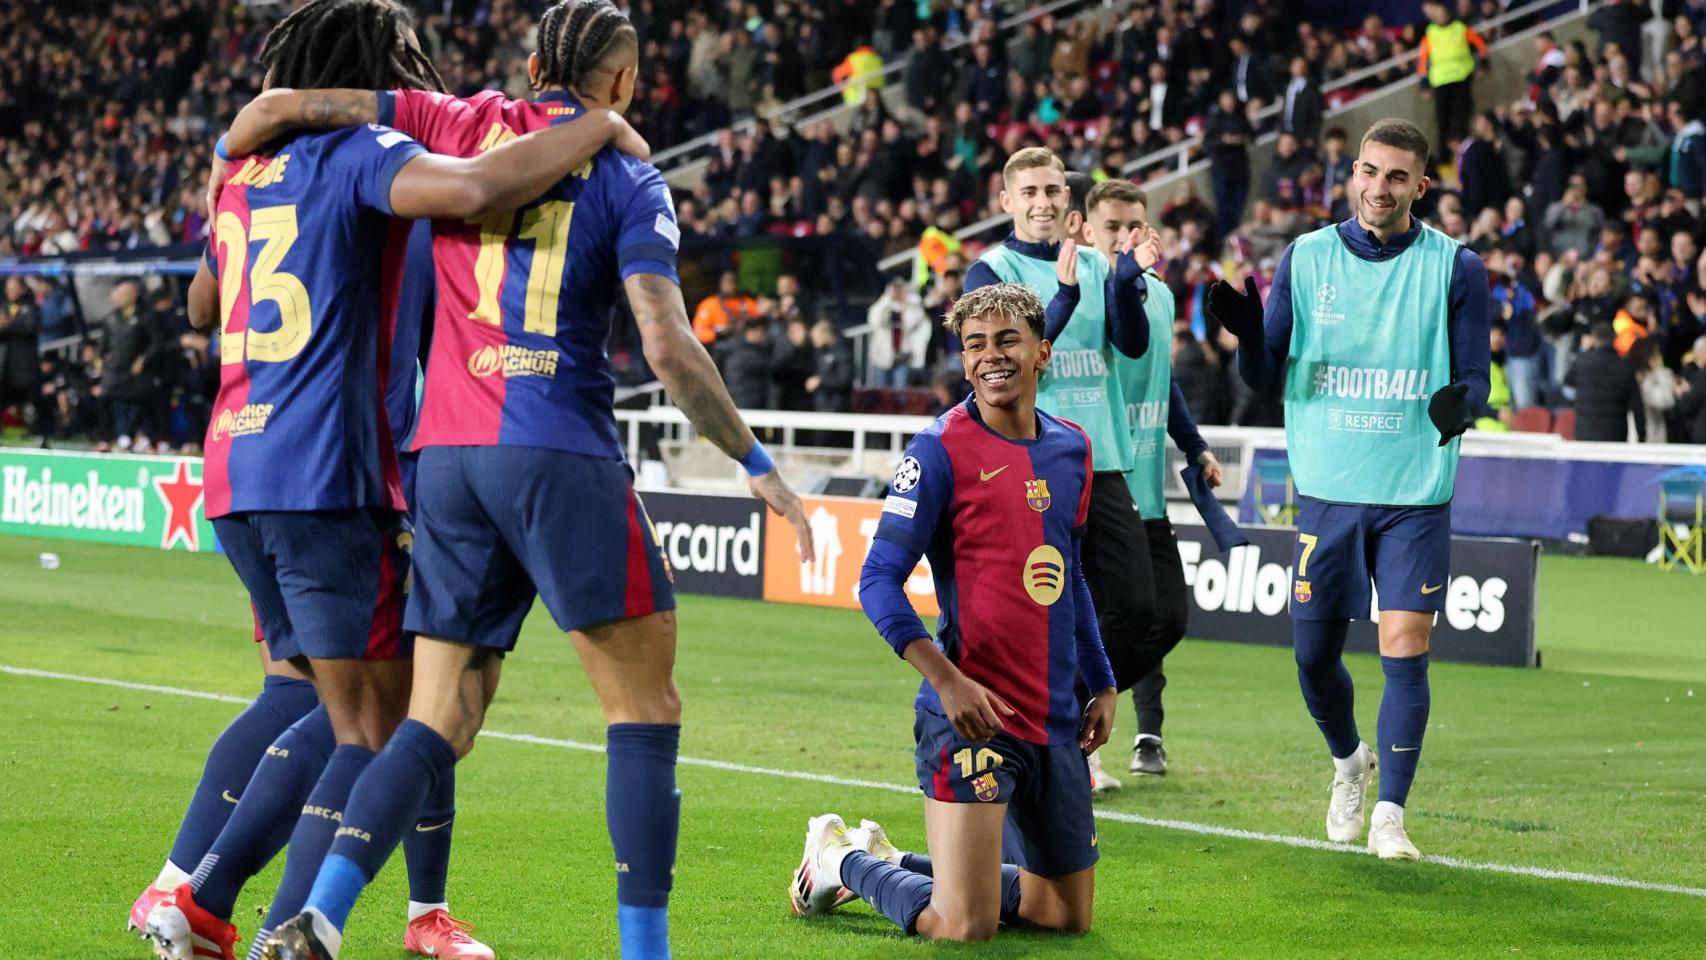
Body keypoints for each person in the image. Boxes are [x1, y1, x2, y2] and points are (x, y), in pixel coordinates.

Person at [232, 3, 815, 958]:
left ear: (534, 61)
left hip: (448, 460)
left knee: (436, 720)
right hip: (560, 452)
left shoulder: (453, 122)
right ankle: (645, 951)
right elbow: (666, 347)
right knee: (642, 707)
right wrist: (755, 463)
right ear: (623, 84)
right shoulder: (630, 174)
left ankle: (321, 916)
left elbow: (288, 107)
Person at [141, 3, 647, 959]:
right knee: (375, 728)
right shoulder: (366, 151)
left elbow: (205, 301)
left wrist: (225, 158)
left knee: (326, 698)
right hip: (334, 468)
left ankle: (251, 899)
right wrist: (600, 124)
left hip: (238, 463)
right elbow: (482, 184)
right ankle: (226, 910)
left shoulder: (247, 170)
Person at [790, 282, 1117, 942]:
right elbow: (877, 581)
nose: (990, 357)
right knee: (964, 924)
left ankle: (898, 861)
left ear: (1042, 352)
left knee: (1065, 915)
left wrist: (1103, 680)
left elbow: (1070, 576)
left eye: (1006, 341)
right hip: (973, 718)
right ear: (964, 362)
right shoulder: (937, 451)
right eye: (975, 346)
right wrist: (947, 681)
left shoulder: (1072, 450)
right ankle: (840, 862)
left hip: (1053, 717)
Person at [1208, 118, 1491, 860]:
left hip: (1412, 492)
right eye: (1369, 171)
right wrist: (1247, 342)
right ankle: (1348, 761)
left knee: (1406, 645)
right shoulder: (1305, 256)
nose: (1379, 187)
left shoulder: (1457, 268)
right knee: (1311, 659)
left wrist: (1460, 407)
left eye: (1397, 176)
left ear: (1421, 187)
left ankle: (1392, 814)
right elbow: (1268, 376)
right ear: (1352, 174)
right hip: (1328, 489)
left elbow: (1475, 378)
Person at [964, 148, 1155, 794]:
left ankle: (1066, 719)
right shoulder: (990, 272)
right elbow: (1014, 359)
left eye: (1053, 190)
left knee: (1134, 606)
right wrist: (1068, 296)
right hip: (1025, 459)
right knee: (1041, 603)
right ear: (1006, 201)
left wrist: (1125, 280)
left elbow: (1130, 345)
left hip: (1099, 455)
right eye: (1031, 191)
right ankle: (1049, 744)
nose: (1044, 201)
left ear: (1068, 201)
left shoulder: (1097, 263)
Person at [1075, 179, 1227, 782]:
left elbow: (1164, 386)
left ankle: (1069, 718)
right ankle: (1075, 739)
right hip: (1096, 490)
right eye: (1111, 227)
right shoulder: (1082, 299)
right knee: (1114, 616)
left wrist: (1195, 445)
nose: (1123, 237)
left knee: (1168, 619)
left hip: (1146, 487)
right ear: (1085, 230)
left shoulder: (1158, 296)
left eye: (1133, 227)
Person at [1416, 0, 1488, 155]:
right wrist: (1424, 83)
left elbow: (1480, 44)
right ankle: (1446, 157)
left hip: (1462, 78)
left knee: (1463, 116)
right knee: (1443, 121)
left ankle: (1465, 152)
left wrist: (1484, 63)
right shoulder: (1430, 32)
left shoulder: (1460, 27)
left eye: (1444, 13)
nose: (1442, 16)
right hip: (1441, 81)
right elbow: (1423, 60)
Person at [1567, 322, 1645, 441]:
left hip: (1584, 431)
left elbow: (1567, 386)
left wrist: (1585, 351)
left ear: (1594, 339)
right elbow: (1636, 404)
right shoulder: (1625, 366)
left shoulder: (1582, 361)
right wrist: (1642, 435)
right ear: (1614, 339)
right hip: (1615, 434)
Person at [867, 276, 930, 388]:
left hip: (903, 356)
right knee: (882, 393)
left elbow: (914, 322)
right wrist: (887, 301)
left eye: (900, 289)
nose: (897, 293)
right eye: (894, 290)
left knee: (900, 393)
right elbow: (875, 322)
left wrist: (906, 305)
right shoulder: (881, 306)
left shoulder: (911, 306)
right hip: (883, 357)